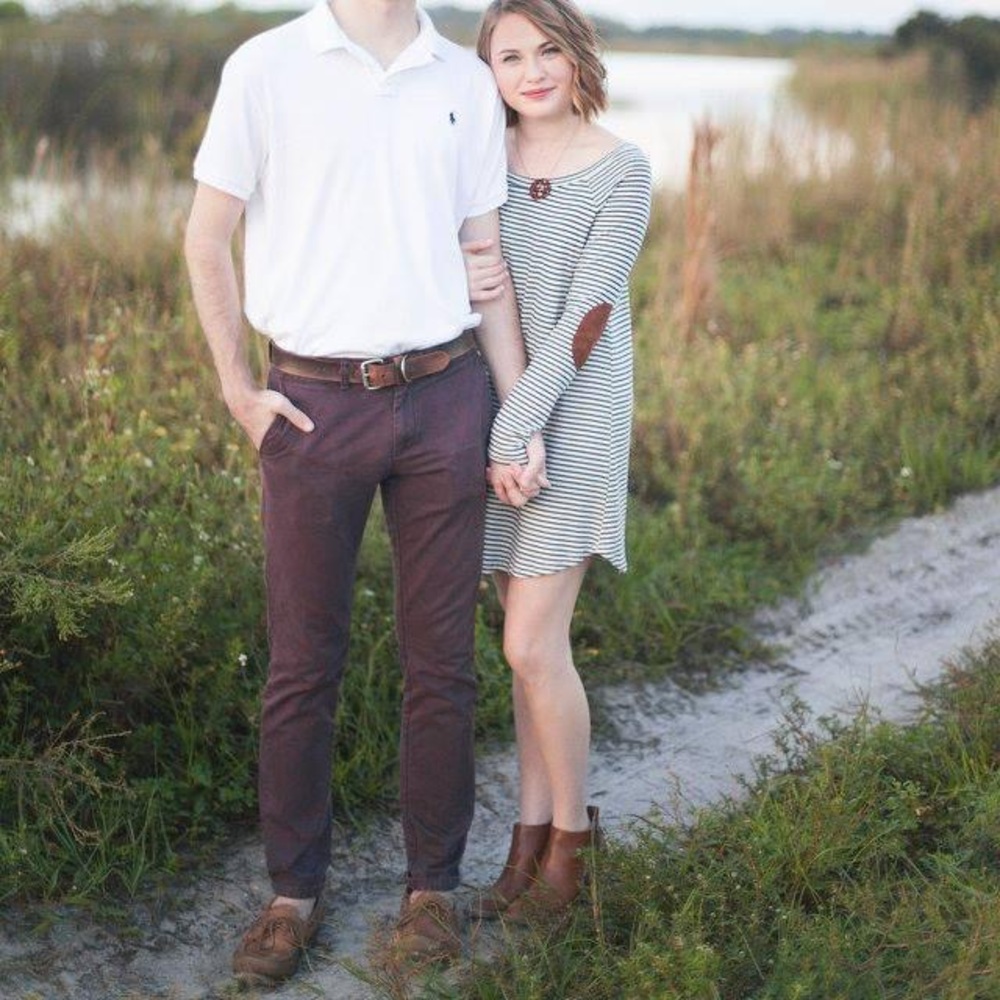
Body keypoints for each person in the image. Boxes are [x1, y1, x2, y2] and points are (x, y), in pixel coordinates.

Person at [183, 0, 543, 982]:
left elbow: (486, 265)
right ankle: (291, 895)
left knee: (443, 663)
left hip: (445, 396)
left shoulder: (463, 80)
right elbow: (206, 238)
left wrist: (515, 412)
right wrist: (237, 389)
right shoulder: (265, 67)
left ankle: (432, 892)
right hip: (311, 404)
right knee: (303, 663)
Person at [465, 0, 652, 920]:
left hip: (575, 416)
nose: (532, 71)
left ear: (578, 57)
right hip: (496, 408)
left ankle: (573, 846)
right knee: (530, 653)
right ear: (489, 72)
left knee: (529, 643)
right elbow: (473, 278)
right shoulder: (479, 158)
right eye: (510, 57)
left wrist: (520, 427)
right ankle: (529, 840)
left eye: (548, 50)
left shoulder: (622, 166)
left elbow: (587, 314)